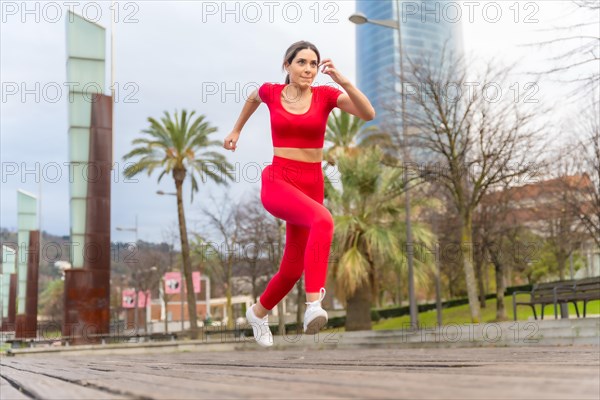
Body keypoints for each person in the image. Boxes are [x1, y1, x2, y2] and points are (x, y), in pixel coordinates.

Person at [223, 41, 375, 347]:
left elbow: (368, 113)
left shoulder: (326, 96)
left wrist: (343, 81)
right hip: (279, 180)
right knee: (324, 220)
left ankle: (257, 312)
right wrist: (236, 129)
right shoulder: (271, 91)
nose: (308, 69)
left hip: (311, 184)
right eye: (302, 62)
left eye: (313, 64)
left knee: (292, 268)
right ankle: (313, 306)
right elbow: (252, 98)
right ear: (287, 65)